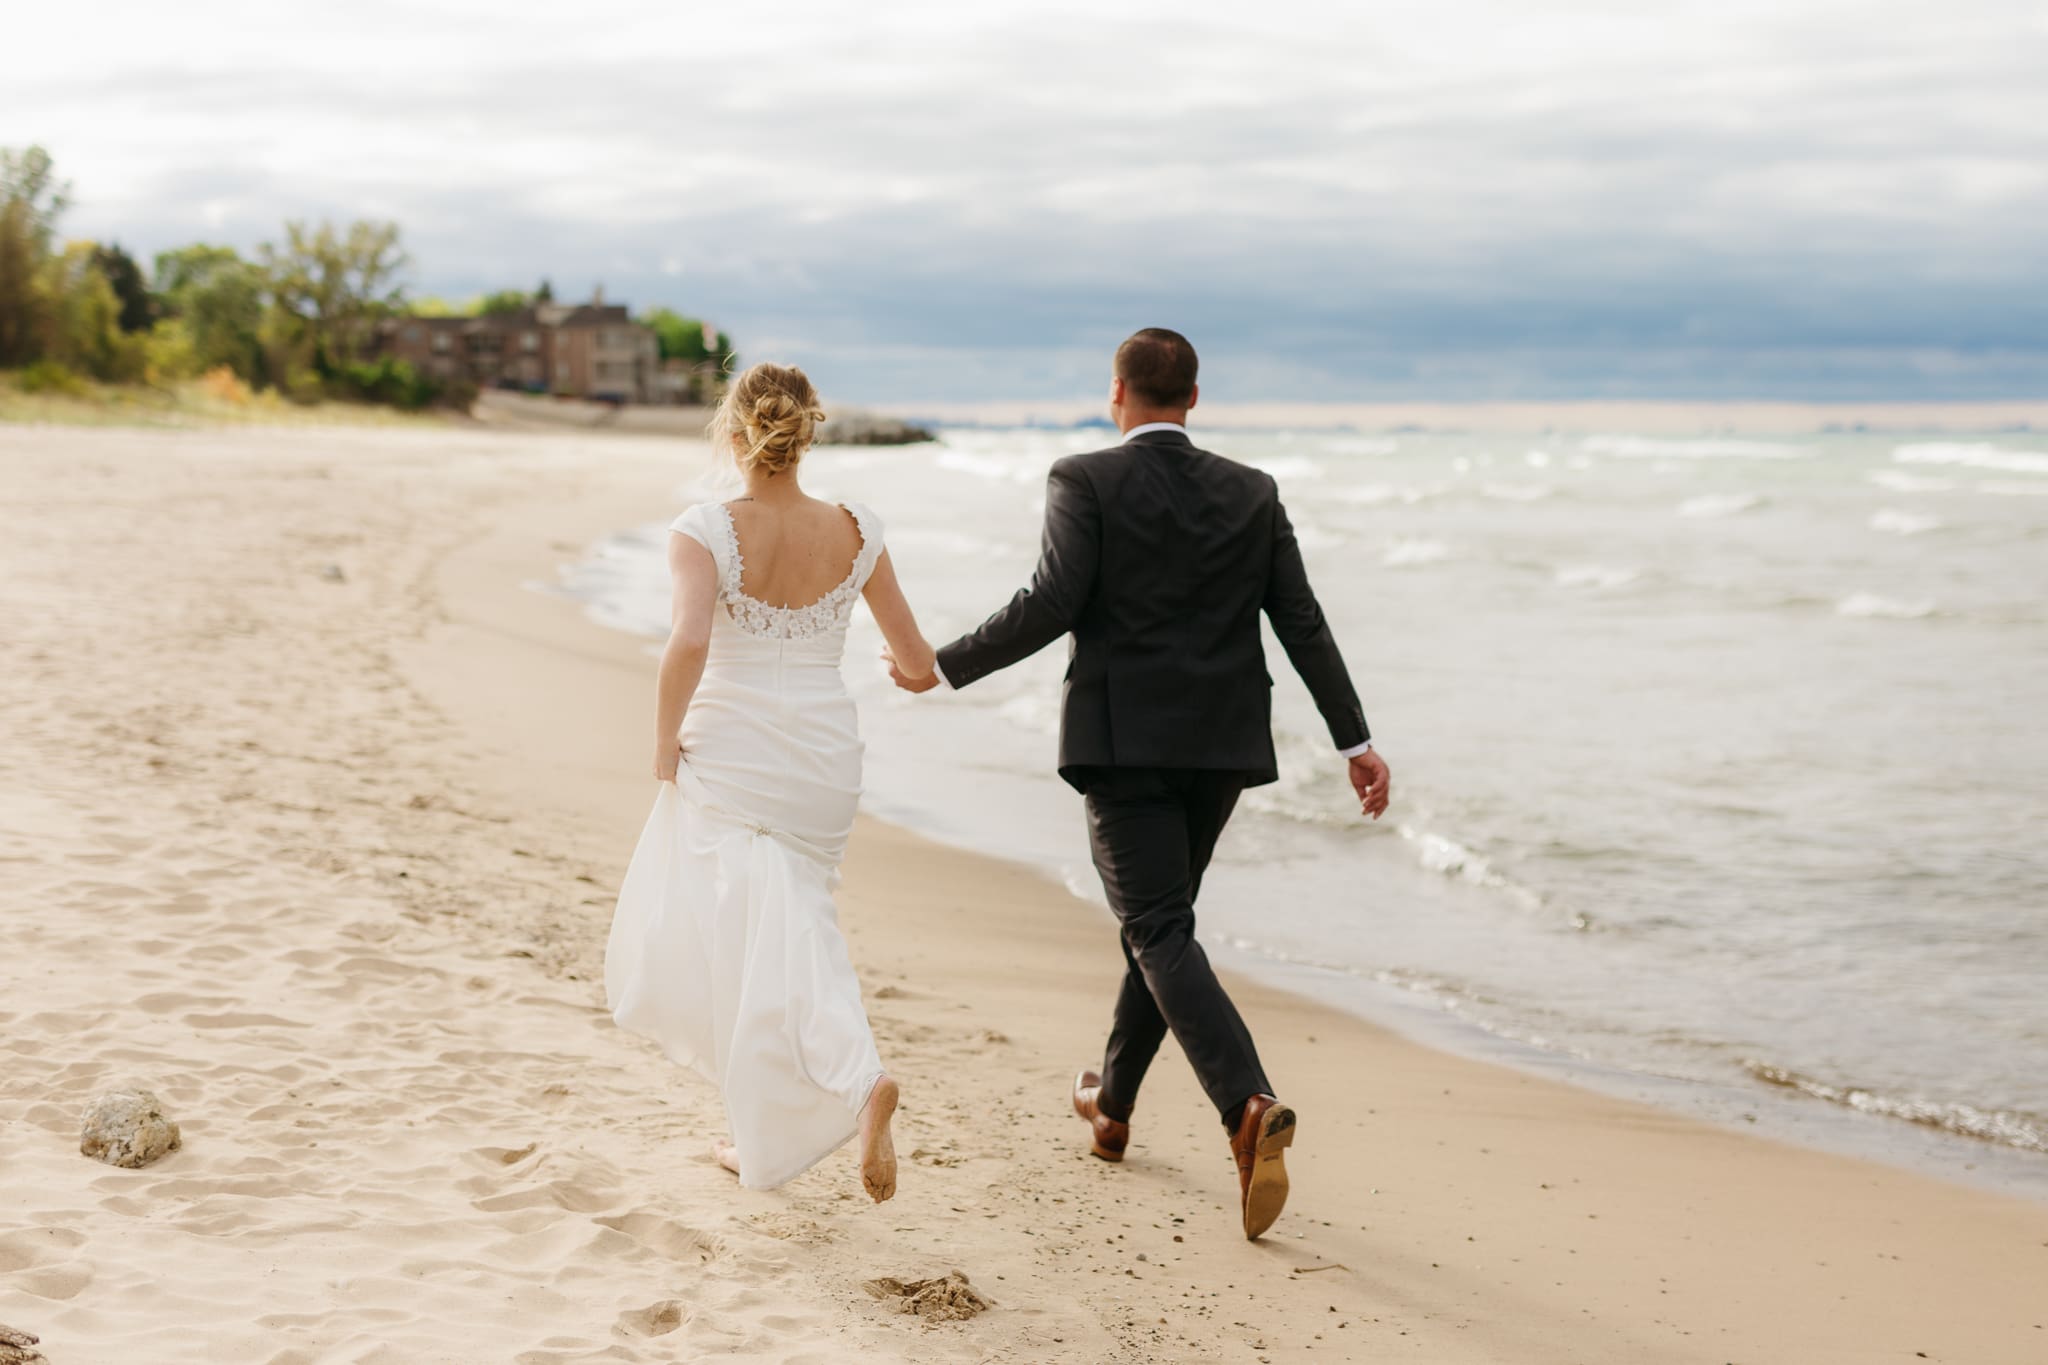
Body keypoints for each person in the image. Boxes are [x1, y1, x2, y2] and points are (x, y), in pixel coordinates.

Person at [886, 328, 1390, 1239]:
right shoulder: (1254, 490)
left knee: (1156, 927)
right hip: (1224, 747)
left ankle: (1247, 1103)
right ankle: (1110, 1107)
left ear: (1117, 394)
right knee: (1163, 929)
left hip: (1122, 747)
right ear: (1193, 398)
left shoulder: (1084, 478)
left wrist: (938, 664)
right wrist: (1354, 739)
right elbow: (1302, 623)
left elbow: (1051, 601)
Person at [606, 362, 937, 1202]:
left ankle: (857, 1077)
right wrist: (909, 674)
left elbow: (688, 644)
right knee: (792, 922)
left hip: (734, 750)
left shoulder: (704, 528)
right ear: (809, 431)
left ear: (732, 429)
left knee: (743, 935)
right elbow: (917, 657)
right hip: (824, 754)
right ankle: (766, 1127)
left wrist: (662, 741)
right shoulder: (860, 528)